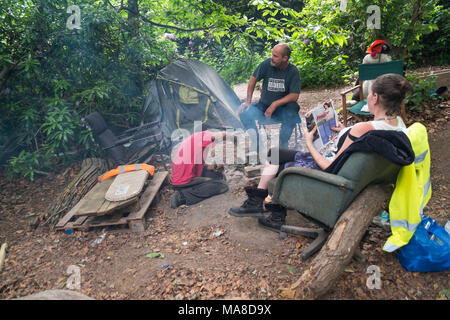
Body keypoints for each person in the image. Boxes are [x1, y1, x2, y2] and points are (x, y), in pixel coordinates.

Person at [229, 73, 413, 231]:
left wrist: (309, 143)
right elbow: (360, 144)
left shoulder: (364, 128)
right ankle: (260, 200)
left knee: (277, 159)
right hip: (351, 178)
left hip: (329, 178)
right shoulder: (399, 127)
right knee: (275, 153)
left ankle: (273, 214)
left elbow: (328, 165)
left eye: (369, 94)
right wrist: (344, 131)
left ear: (375, 98)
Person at [238, 43, 301, 150]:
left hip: (282, 109)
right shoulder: (267, 64)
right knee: (244, 111)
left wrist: (275, 104)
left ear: (285, 58)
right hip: (263, 107)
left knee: (293, 109)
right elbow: (253, 80)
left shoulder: (293, 71)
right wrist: (248, 101)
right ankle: (257, 143)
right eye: (272, 54)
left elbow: (294, 96)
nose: (272, 58)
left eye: (275, 56)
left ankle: (282, 143)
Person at [170, 130, 234, 208]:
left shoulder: (197, 140)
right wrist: (234, 139)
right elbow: (223, 134)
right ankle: (182, 197)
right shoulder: (204, 136)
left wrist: (215, 166)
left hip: (186, 176)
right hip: (183, 180)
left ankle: (187, 190)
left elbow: (206, 166)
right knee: (222, 186)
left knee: (220, 177)